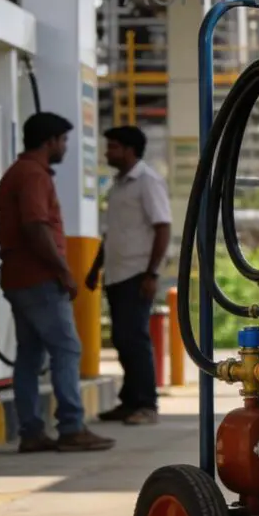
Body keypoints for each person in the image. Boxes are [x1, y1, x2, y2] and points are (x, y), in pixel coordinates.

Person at [0, 112, 114, 453]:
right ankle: (72, 427)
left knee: (30, 355)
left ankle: (31, 432)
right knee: (67, 348)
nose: (64, 147)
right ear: (49, 142)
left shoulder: (17, 173)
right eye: (62, 141)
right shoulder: (33, 175)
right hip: (39, 278)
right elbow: (35, 226)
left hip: (18, 277)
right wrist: (62, 270)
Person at [86, 125, 171, 426]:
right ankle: (130, 401)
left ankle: (147, 404)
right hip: (116, 273)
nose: (107, 152)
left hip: (137, 273)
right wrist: (95, 268)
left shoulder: (147, 181)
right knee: (122, 339)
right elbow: (112, 234)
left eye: (113, 147)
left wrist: (152, 273)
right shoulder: (118, 185)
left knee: (134, 339)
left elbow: (163, 227)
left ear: (130, 150)